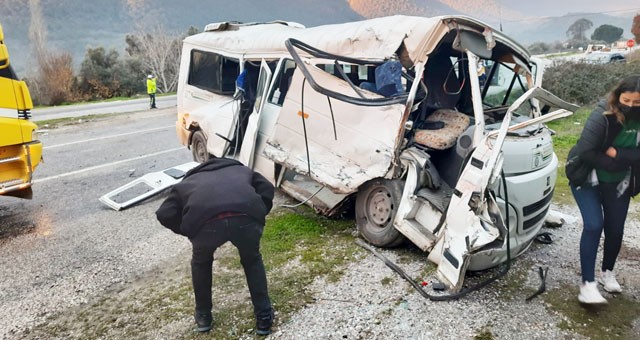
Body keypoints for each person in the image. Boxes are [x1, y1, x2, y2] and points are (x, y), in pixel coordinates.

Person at [155, 157, 275, 334]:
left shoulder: (186, 183)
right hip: (245, 218)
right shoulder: (243, 171)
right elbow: (267, 189)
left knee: (201, 264)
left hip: (205, 226)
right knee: (252, 261)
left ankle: (203, 317)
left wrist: (188, 229)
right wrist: (257, 213)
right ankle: (264, 318)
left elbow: (164, 213)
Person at [566, 75, 640, 304]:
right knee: (593, 224)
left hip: (620, 182)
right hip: (587, 176)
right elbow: (587, 150)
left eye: (636, 103)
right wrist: (621, 160)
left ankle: (607, 271)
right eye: (626, 100)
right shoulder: (602, 115)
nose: (629, 107)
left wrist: (619, 155)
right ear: (618, 96)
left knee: (615, 230)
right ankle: (588, 284)